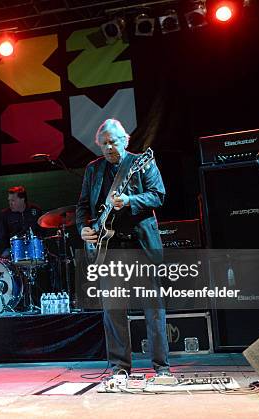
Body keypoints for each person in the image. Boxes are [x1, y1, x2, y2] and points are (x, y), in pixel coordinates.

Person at [76, 118, 170, 377]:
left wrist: (130, 200)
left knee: (153, 310)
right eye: (104, 144)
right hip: (110, 249)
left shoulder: (141, 162)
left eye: (113, 142)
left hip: (141, 247)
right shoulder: (93, 170)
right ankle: (120, 368)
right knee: (114, 311)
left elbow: (158, 195)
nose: (108, 148)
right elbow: (83, 206)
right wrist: (82, 229)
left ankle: (161, 367)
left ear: (125, 140)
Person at [0, 186, 43, 258]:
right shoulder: (5, 214)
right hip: (12, 250)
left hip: (34, 249)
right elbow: (0, 234)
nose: (10, 203)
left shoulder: (36, 211)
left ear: (22, 199)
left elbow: (42, 231)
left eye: (13, 200)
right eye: (9, 201)